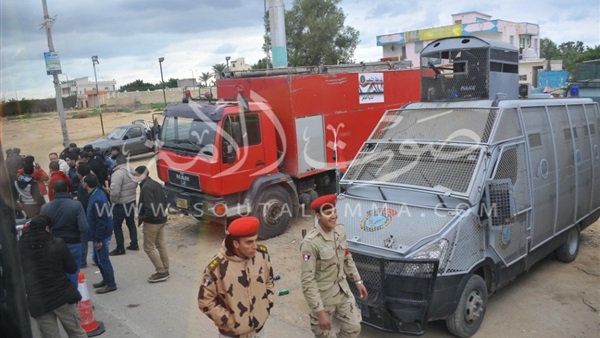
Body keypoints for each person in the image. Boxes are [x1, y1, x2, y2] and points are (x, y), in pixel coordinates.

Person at [300, 194, 368, 338]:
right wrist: (319, 311)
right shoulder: (310, 243)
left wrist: (358, 280)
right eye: (328, 212)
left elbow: (346, 257)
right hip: (324, 298)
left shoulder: (340, 230)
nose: (333, 216)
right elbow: (307, 281)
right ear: (318, 215)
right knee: (324, 335)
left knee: (354, 327)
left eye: (334, 211)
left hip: (342, 291)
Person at [198, 216, 274, 338]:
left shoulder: (262, 255)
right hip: (232, 334)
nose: (255, 246)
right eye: (249, 242)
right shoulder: (216, 267)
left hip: (259, 330)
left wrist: (266, 305)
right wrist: (229, 322)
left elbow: (269, 281)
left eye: (256, 240)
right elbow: (205, 301)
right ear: (236, 243)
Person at [18, 215, 87, 338]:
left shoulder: (19, 247)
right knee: (76, 332)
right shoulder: (57, 243)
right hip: (61, 296)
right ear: (47, 228)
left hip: (38, 301)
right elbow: (71, 268)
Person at [41, 180, 88, 285]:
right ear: (67, 189)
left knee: (57, 272)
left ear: (53, 191)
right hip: (73, 242)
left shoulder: (45, 208)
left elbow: (42, 228)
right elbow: (84, 227)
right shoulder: (76, 205)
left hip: (54, 244)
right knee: (73, 271)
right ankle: (72, 297)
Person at [135, 166, 170, 283]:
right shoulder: (156, 184)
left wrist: (144, 218)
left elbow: (149, 207)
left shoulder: (146, 187)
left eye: (136, 174)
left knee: (148, 247)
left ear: (142, 174)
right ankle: (165, 268)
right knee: (160, 244)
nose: (135, 176)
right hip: (161, 218)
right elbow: (164, 201)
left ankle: (161, 271)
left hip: (152, 221)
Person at [84, 174, 117, 294]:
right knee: (98, 260)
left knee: (103, 259)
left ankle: (111, 284)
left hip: (101, 234)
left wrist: (98, 240)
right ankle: (106, 279)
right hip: (97, 234)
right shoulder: (97, 193)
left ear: (86, 184)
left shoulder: (97, 198)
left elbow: (101, 221)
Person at [109, 156, 139, 255]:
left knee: (117, 226)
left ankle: (120, 248)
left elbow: (114, 192)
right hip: (131, 201)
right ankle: (134, 244)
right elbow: (135, 185)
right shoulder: (132, 171)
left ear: (117, 163)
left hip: (121, 203)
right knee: (131, 223)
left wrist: (113, 201)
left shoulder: (117, 174)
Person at [76, 163, 92, 268]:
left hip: (85, 212)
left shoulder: (83, 184)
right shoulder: (92, 179)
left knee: (83, 238)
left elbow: (83, 200)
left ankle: (82, 261)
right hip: (90, 211)